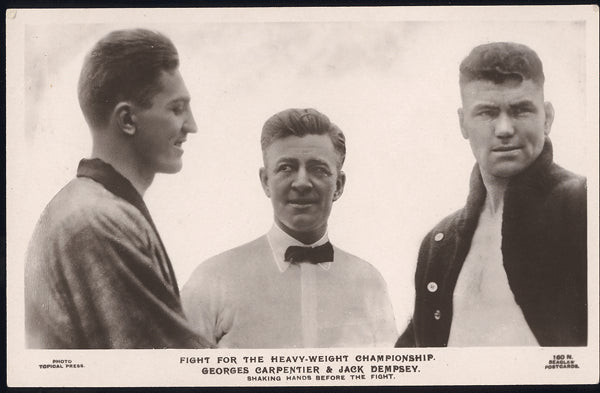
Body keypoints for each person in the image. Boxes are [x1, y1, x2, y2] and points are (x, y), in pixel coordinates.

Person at [25, 28, 208, 349]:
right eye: (177, 108)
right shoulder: (96, 220)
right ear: (127, 120)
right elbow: (169, 365)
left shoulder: (92, 207)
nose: (192, 126)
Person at [396, 42, 587, 347]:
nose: (504, 128)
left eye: (521, 110)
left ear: (547, 117)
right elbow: (413, 359)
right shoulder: (439, 242)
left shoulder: (585, 207)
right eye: (486, 112)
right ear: (463, 124)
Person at [182, 108, 397, 348]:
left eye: (318, 169)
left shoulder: (369, 283)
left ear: (338, 185)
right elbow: (178, 379)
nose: (302, 183)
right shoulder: (212, 280)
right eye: (286, 168)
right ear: (265, 182)